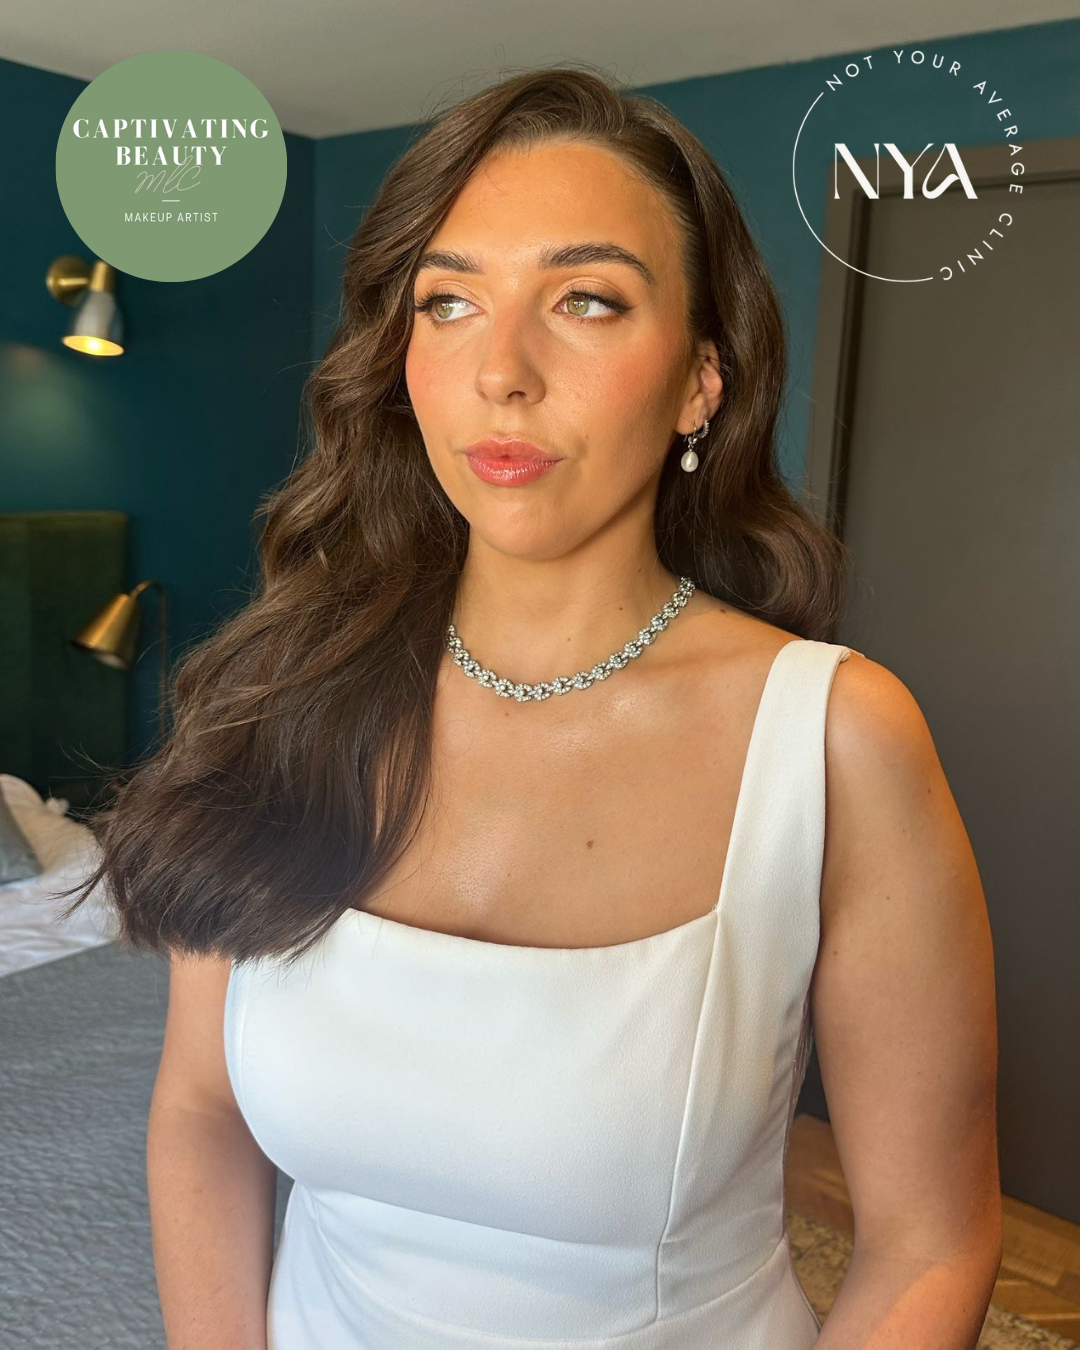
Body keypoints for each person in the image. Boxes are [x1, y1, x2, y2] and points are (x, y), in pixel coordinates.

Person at [60, 64, 1002, 1350]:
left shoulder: (833, 740)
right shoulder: (276, 698)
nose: (501, 369)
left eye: (587, 300)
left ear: (699, 382)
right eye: (448, 302)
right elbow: (202, 1115)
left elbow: (929, 1244)